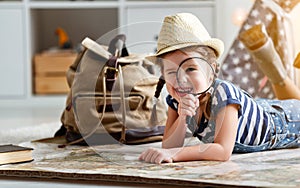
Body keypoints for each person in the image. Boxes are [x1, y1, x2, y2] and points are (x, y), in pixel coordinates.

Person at [138, 12, 300, 164]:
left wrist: (176, 154)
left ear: (211, 71)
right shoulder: (175, 101)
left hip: (284, 122)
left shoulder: (223, 93)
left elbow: (222, 151)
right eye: (172, 72)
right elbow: (169, 147)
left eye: (191, 69)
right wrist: (182, 118)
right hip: (259, 107)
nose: (181, 79)